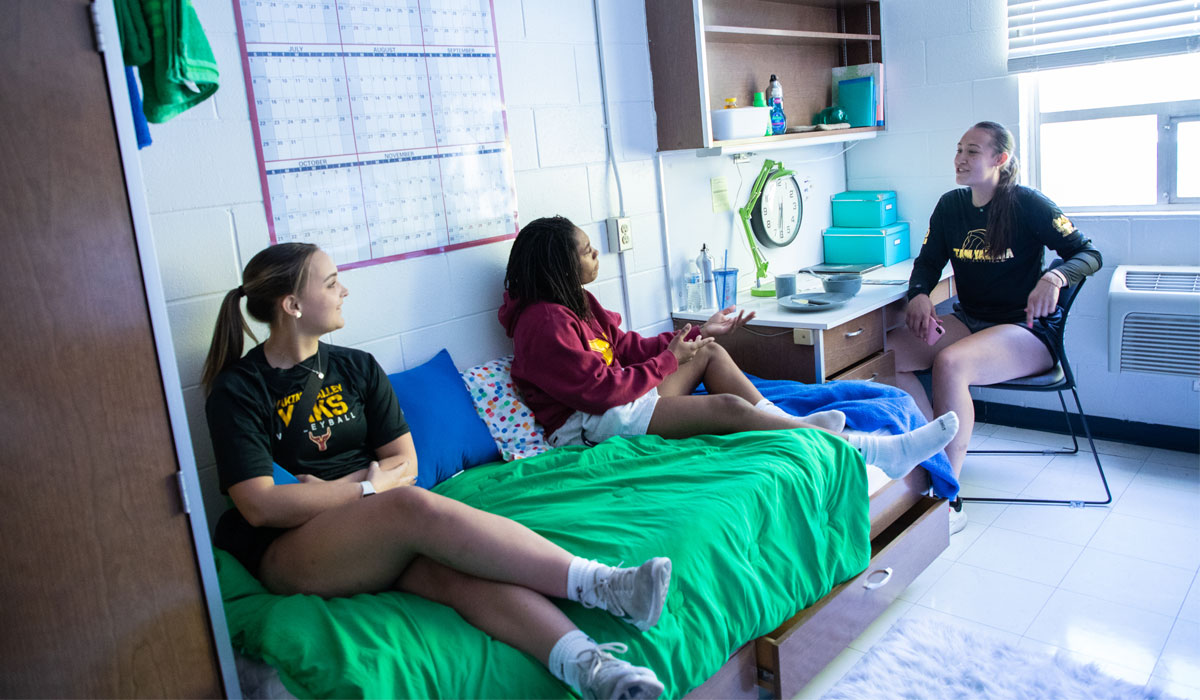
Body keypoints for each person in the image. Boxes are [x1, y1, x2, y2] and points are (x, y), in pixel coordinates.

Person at [202, 242, 674, 700]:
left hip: (369, 529)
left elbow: (404, 464)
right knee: (409, 505)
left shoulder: (358, 368)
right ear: (292, 305)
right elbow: (261, 505)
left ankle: (596, 670)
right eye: (330, 283)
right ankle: (601, 584)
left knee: (458, 573)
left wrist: (348, 488)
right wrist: (368, 486)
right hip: (288, 548)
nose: (344, 291)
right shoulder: (240, 390)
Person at [498, 216, 960, 480]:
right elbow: (599, 392)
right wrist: (668, 361)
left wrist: (698, 333)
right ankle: (870, 452)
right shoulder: (541, 325)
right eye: (585, 250)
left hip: (616, 406)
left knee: (710, 355)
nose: (595, 253)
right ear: (559, 265)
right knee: (728, 410)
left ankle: (790, 423)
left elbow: (625, 347)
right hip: (591, 426)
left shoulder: (578, 304)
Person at [886, 121, 1102, 534]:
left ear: (999, 160)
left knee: (951, 364)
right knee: (891, 353)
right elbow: (929, 262)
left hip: (1027, 331)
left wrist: (1053, 277)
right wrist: (918, 294)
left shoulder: (1027, 203)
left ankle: (946, 496)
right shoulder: (951, 206)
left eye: (972, 152)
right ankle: (931, 447)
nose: (960, 159)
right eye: (958, 150)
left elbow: (1088, 253)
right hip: (972, 319)